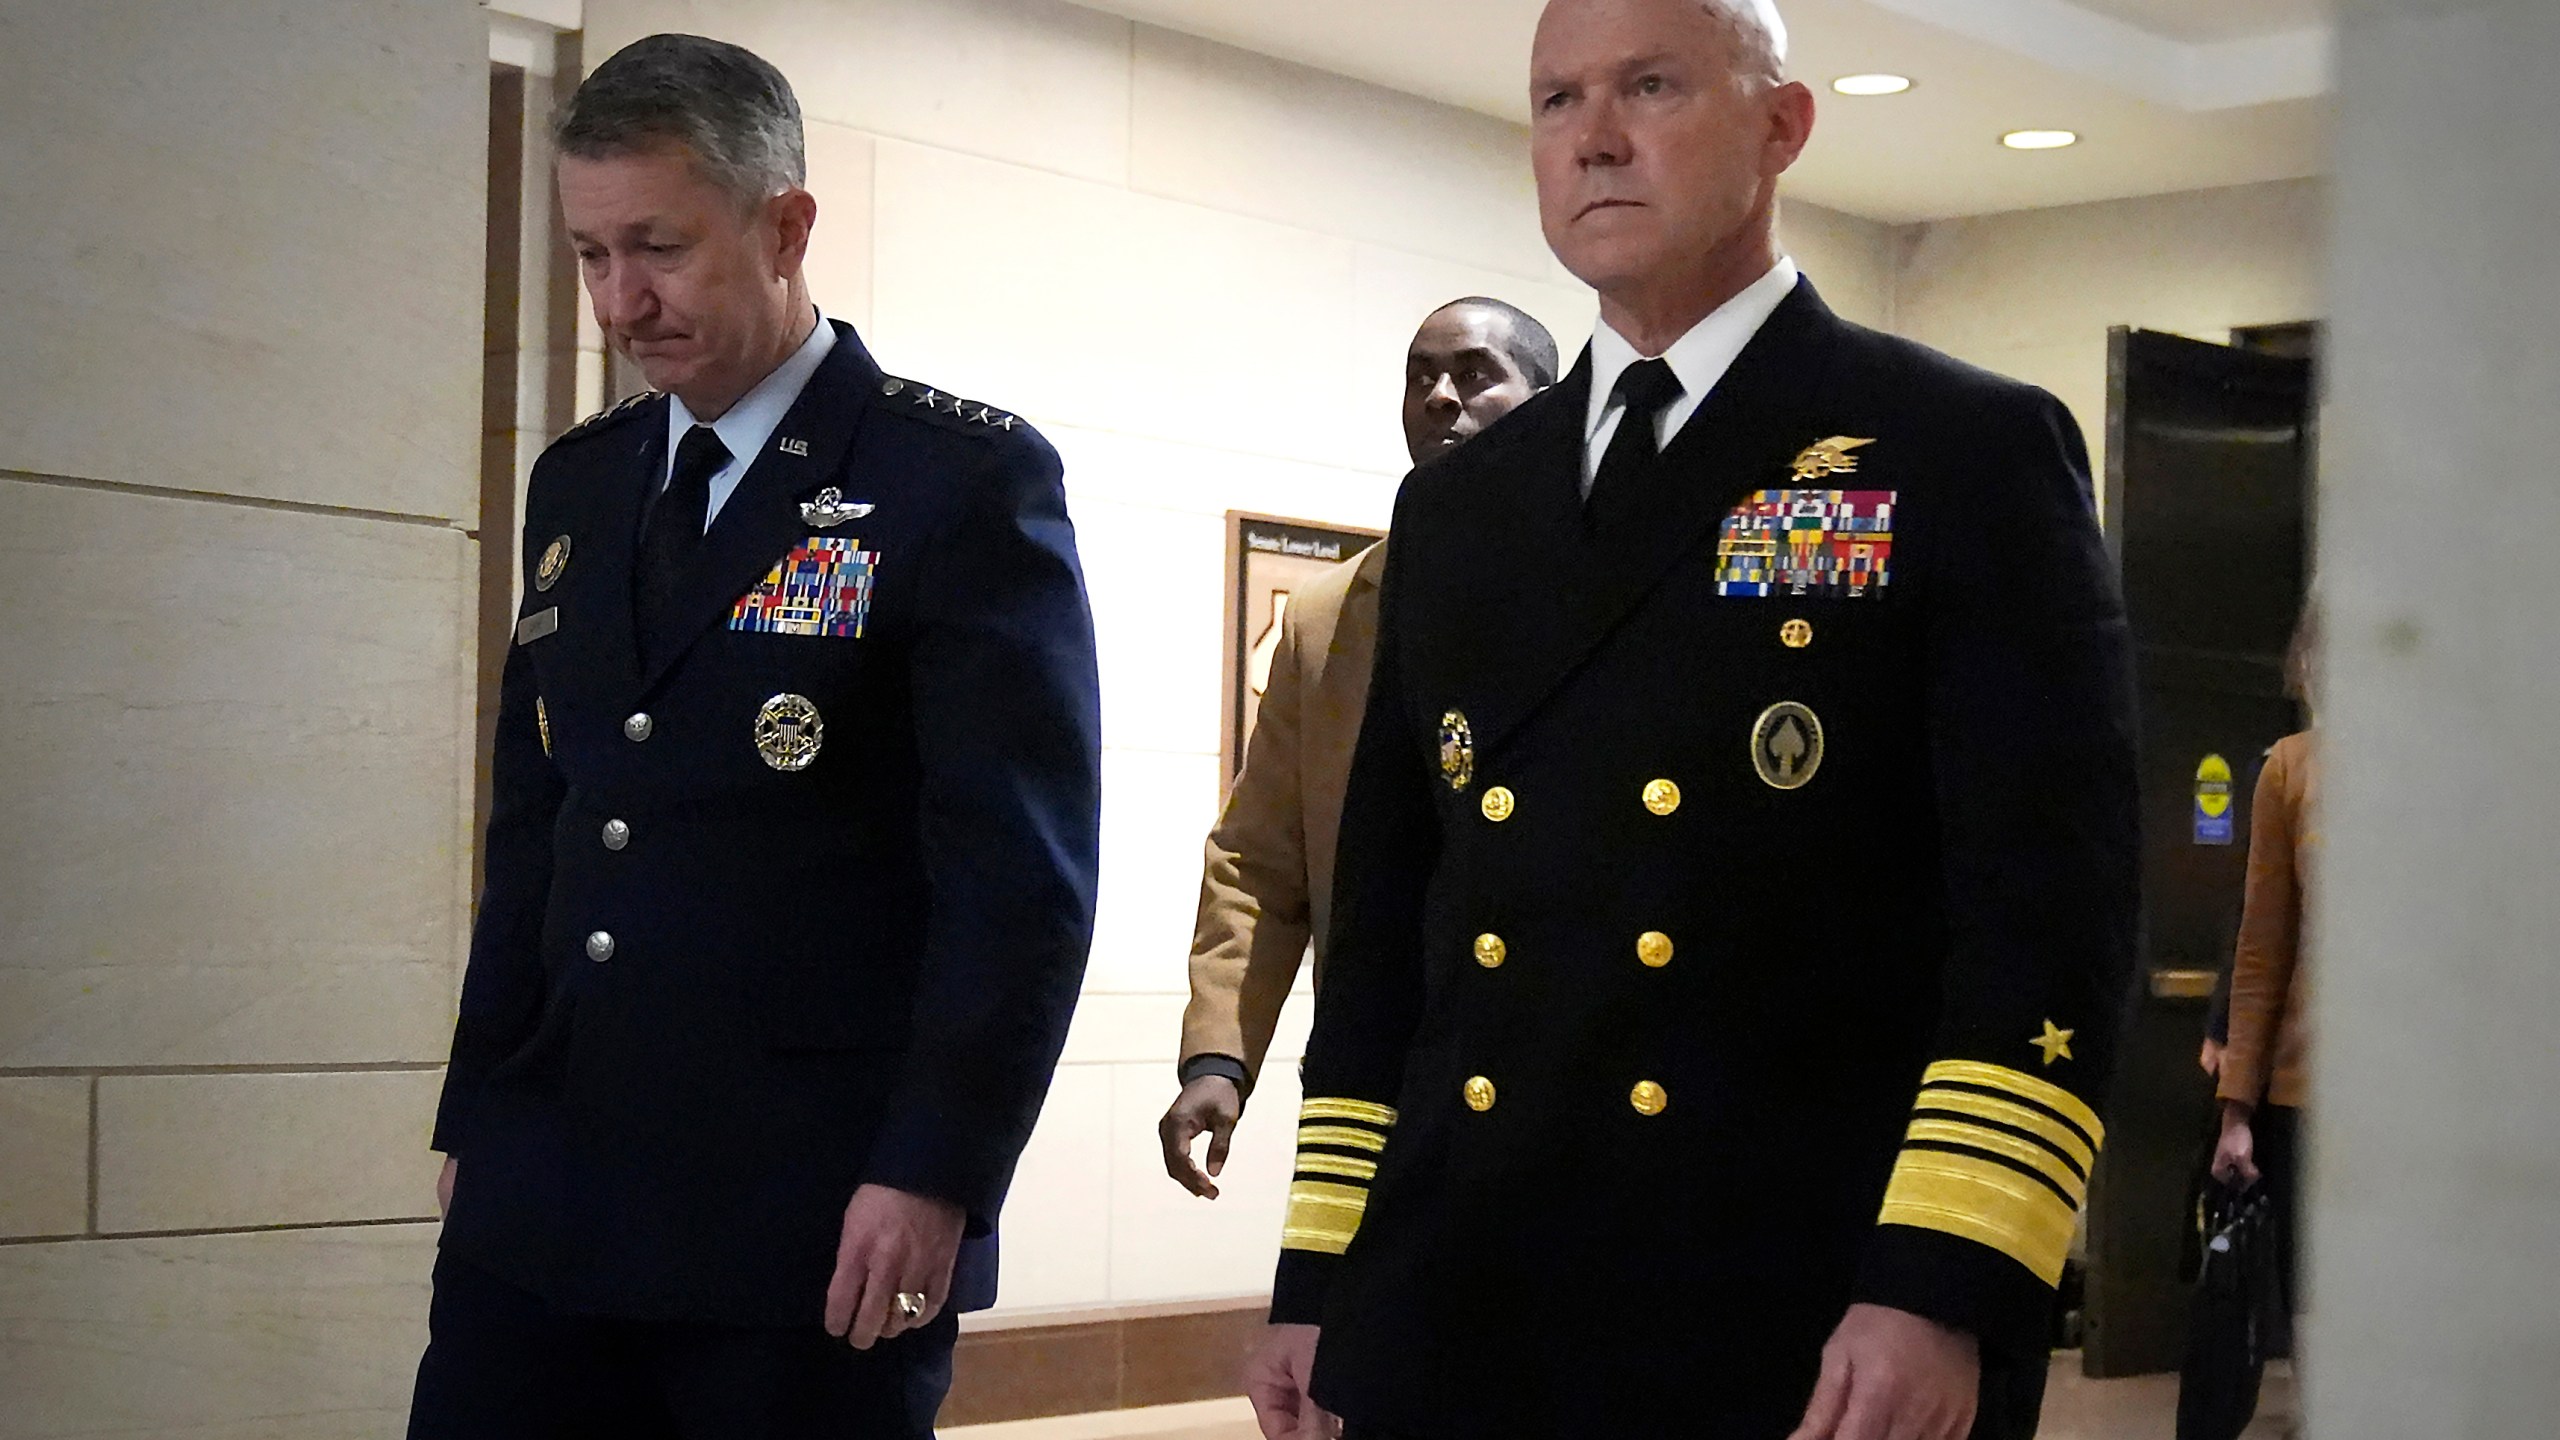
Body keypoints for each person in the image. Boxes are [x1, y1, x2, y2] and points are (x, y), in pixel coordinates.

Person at [1242, 0, 2139, 1436]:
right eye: (1555, 101)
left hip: (1791, 1296)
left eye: (1650, 87)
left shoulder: (1957, 448)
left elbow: (2049, 917)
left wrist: (1946, 1279)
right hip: (1464, 1284)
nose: (1594, 137)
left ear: (1781, 128)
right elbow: (1393, 929)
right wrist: (1320, 1261)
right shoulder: (1462, 506)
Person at [409, 34, 1101, 1439]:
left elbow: (1014, 882)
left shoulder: (951, 482)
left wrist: (937, 1172)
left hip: (802, 1212)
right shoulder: (585, 483)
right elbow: (535, 824)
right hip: (547, 1188)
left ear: (786, 225)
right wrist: (477, 1105)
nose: (620, 300)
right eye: (591, 254)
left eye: (658, 248)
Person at [1161, 299, 1559, 1198]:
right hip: (1383, 1062)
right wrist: (1219, 1055)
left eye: (1475, 373)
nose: (1442, 399)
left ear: (1549, 402)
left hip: (1562, 1064)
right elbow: (1259, 861)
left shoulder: (1606, 588)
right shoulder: (1328, 618)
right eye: (1422, 378)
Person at [2211, 606, 2320, 1326]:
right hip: (2307, 1093)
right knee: (2320, 1311)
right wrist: (2236, 1111)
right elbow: (2261, 951)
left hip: (2439, 1093)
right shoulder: (2290, 768)